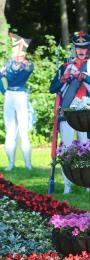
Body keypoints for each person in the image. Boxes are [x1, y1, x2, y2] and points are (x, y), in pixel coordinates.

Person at [49, 31, 90, 194]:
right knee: (67, 148)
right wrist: (63, 79)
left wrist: (83, 77)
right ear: (74, 47)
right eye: (78, 47)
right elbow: (52, 88)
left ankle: (89, 183)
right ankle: (67, 186)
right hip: (67, 110)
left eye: (84, 47)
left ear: (89, 47)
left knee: (86, 146)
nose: (81, 50)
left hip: (84, 110)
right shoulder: (65, 65)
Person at [0, 33, 34, 171]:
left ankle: (28, 163)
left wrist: (6, 70)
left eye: (19, 47)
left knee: (23, 131)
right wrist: (4, 91)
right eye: (15, 47)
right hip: (10, 95)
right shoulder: (8, 64)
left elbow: (20, 75)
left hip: (20, 95)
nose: (16, 50)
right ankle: (11, 163)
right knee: (10, 131)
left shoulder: (27, 65)